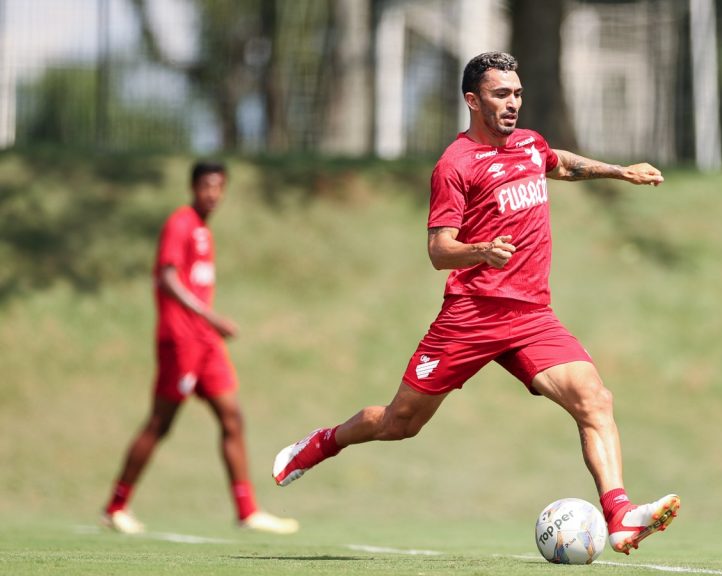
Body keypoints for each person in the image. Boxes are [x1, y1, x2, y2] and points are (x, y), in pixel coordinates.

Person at [272, 52, 677, 554]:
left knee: (595, 400)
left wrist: (621, 171)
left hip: (531, 315)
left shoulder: (529, 144)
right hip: (471, 315)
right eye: (501, 94)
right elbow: (439, 250)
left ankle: (618, 515)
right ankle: (322, 443)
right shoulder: (455, 164)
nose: (513, 104)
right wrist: (481, 250)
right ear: (472, 100)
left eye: (518, 93)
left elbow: (560, 165)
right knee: (401, 423)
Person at [102, 161, 298, 535]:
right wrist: (210, 316)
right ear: (193, 187)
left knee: (232, 419)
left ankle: (247, 511)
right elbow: (167, 277)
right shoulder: (181, 223)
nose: (214, 193)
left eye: (220, 187)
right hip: (181, 340)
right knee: (161, 423)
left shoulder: (203, 231)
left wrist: (208, 326)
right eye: (207, 186)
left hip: (205, 345)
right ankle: (115, 507)